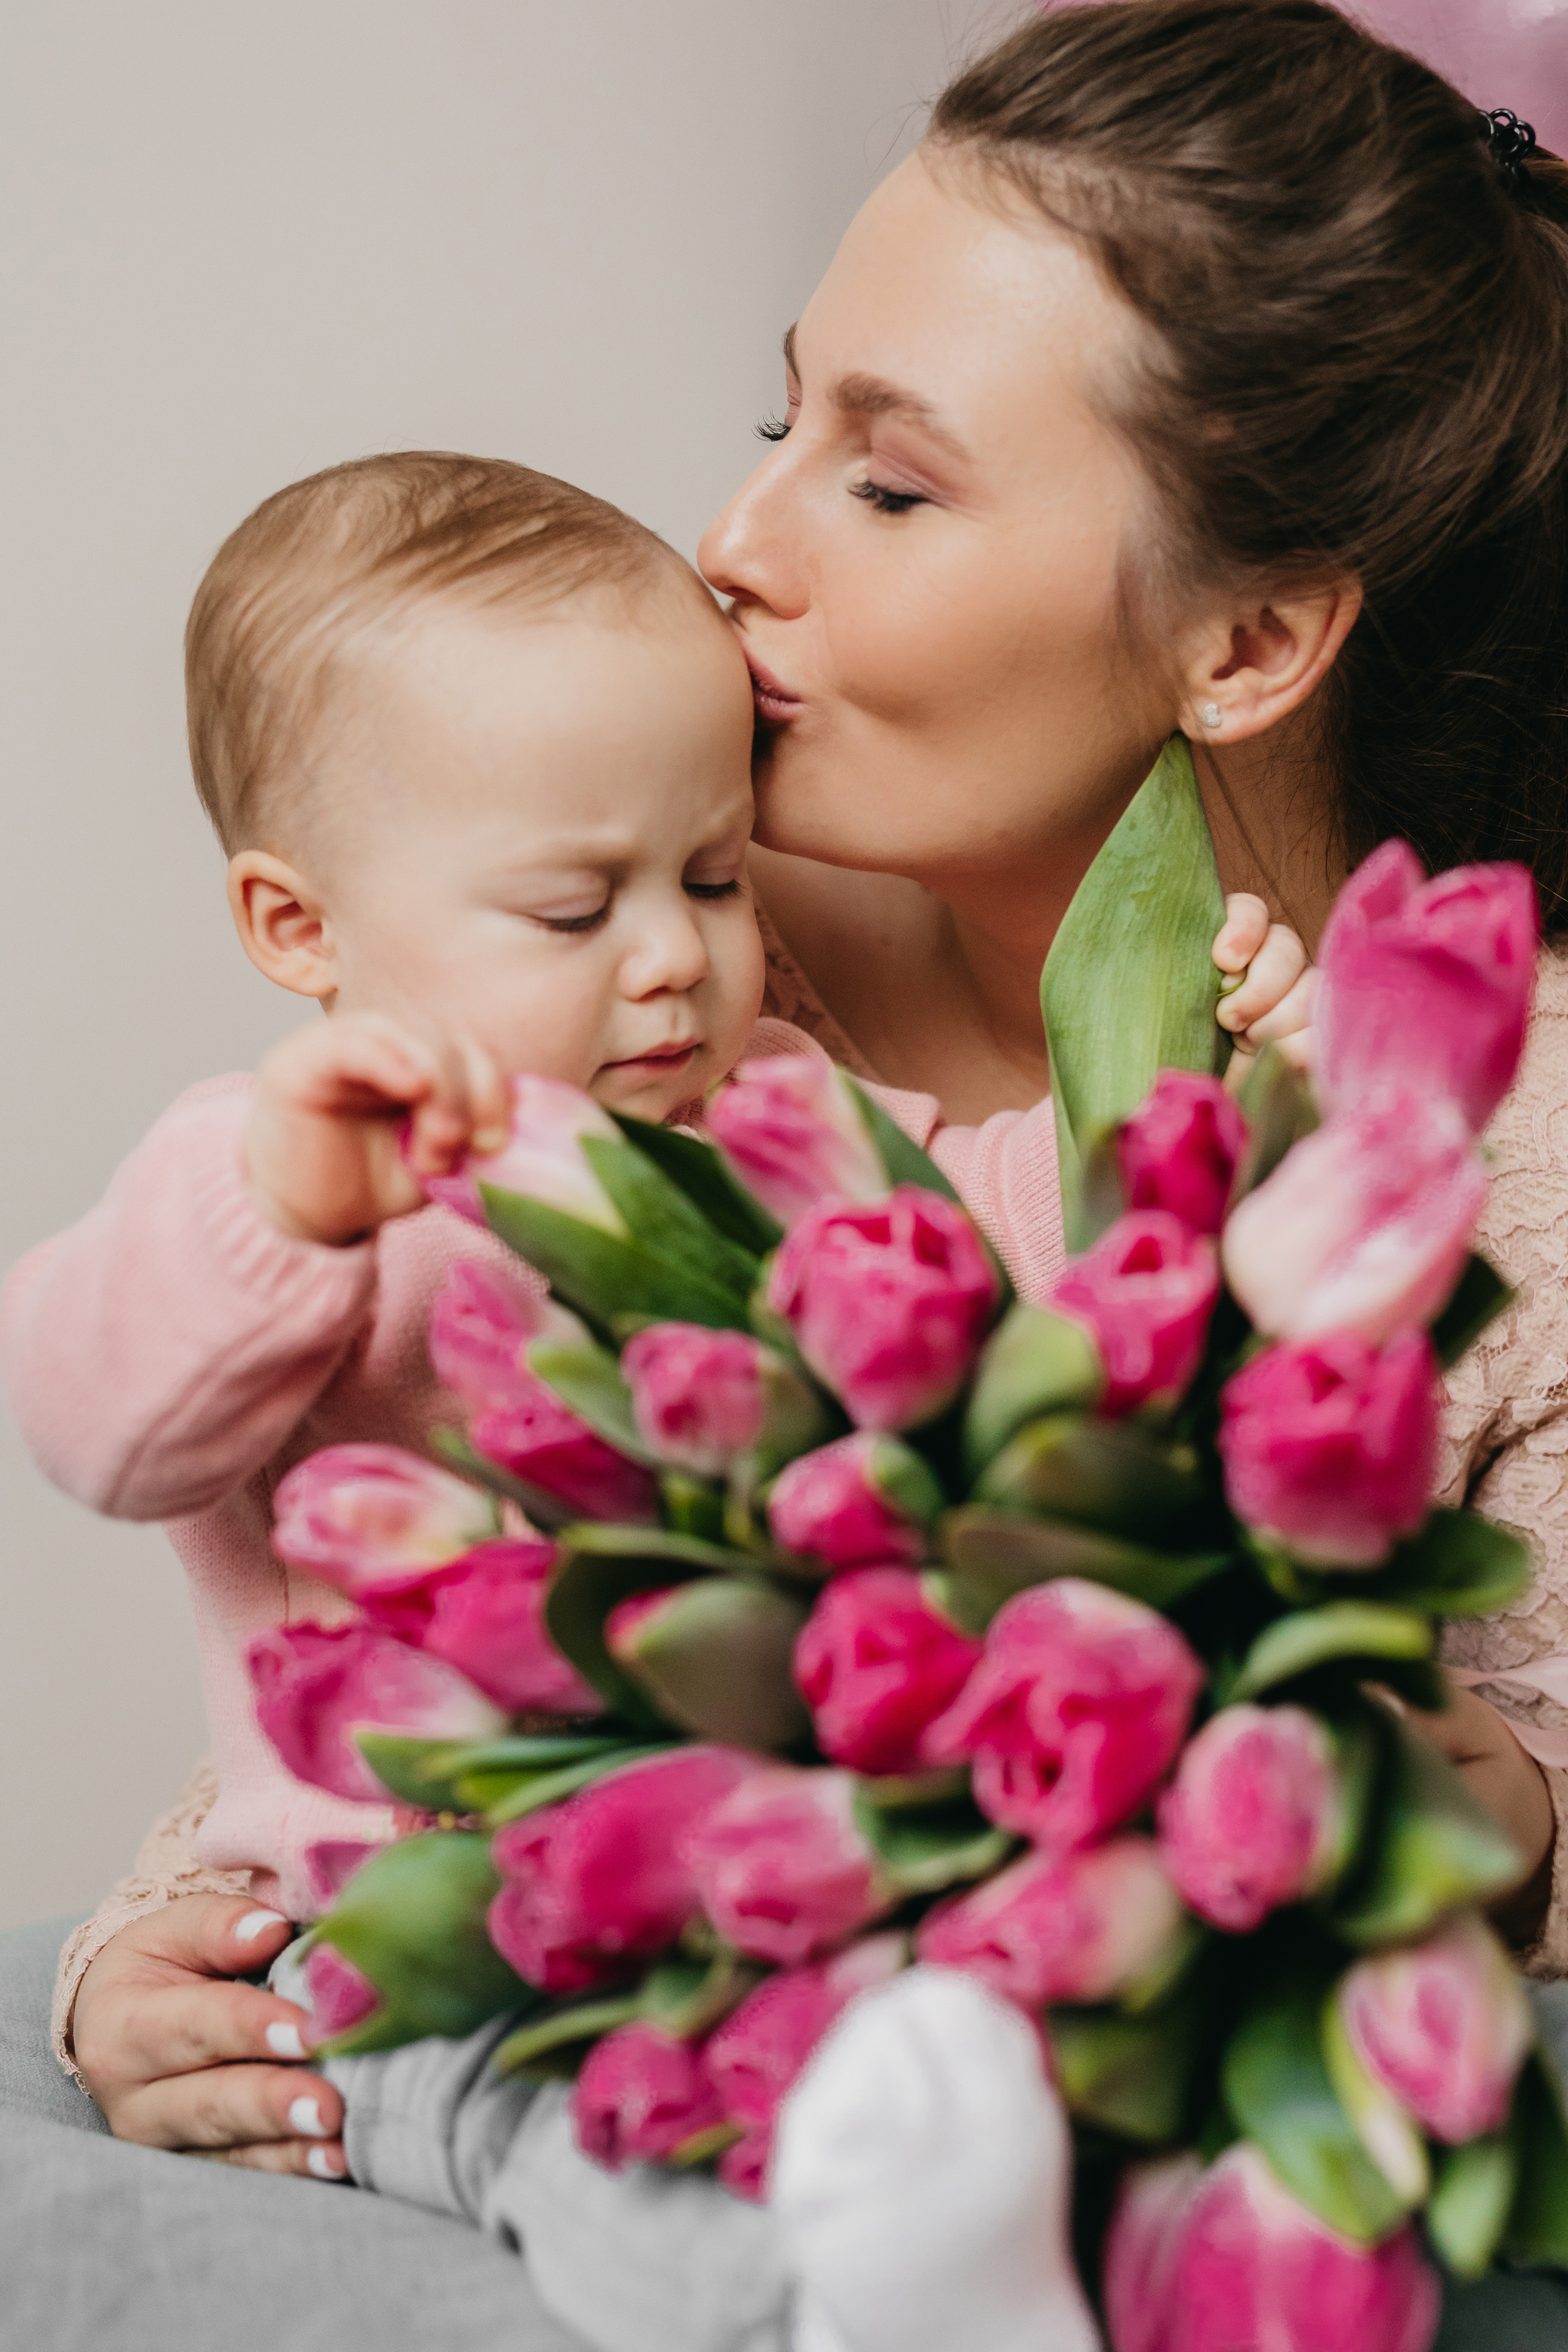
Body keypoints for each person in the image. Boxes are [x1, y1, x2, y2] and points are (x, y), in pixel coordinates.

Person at [6, 3, 1567, 2343]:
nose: (729, 545)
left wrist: (1505, 1815)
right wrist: (166, 1960)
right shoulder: (668, 963)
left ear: (1246, 639)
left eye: (892, 480)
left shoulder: (1473, 1135)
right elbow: (378, 1539)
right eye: (781, 416)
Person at [0, 445, 1305, 2188]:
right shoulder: (301, 1183)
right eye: (570, 905)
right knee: (585, 2164)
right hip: (431, 1909)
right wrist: (277, 1211)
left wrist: (1246, 1103)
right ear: (298, 924)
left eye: (709, 879)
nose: (672, 961)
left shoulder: (773, 1114)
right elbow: (95, 1420)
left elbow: (1030, 1240)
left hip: (755, 1895)